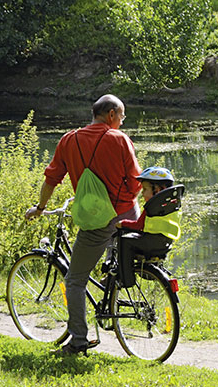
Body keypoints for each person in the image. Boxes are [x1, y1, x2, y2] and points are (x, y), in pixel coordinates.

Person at [24, 94, 141, 356]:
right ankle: (113, 274)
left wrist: (40, 207)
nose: (122, 122)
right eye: (121, 116)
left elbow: (52, 179)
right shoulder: (119, 139)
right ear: (111, 114)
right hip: (126, 215)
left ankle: (78, 341)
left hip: (97, 219)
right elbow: (136, 181)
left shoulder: (69, 140)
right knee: (117, 247)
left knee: (75, 280)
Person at [115, 166, 183, 287]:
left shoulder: (152, 207)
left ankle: (126, 280)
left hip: (150, 243)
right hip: (165, 243)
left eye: (145, 189)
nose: (142, 193)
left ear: (157, 190)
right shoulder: (171, 206)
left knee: (124, 241)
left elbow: (138, 225)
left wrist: (122, 223)